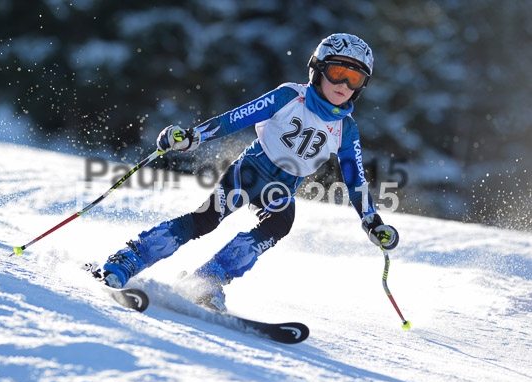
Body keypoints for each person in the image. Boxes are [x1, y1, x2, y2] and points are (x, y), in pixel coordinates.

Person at [96, 33, 399, 312]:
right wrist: (193, 137)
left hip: (282, 188)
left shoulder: (346, 130)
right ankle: (128, 258)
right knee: (206, 220)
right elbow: (234, 119)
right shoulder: (289, 97)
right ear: (318, 69)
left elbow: (355, 179)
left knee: (281, 222)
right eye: (337, 73)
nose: (344, 85)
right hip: (251, 171)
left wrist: (372, 222)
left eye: (355, 78)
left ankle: (207, 280)